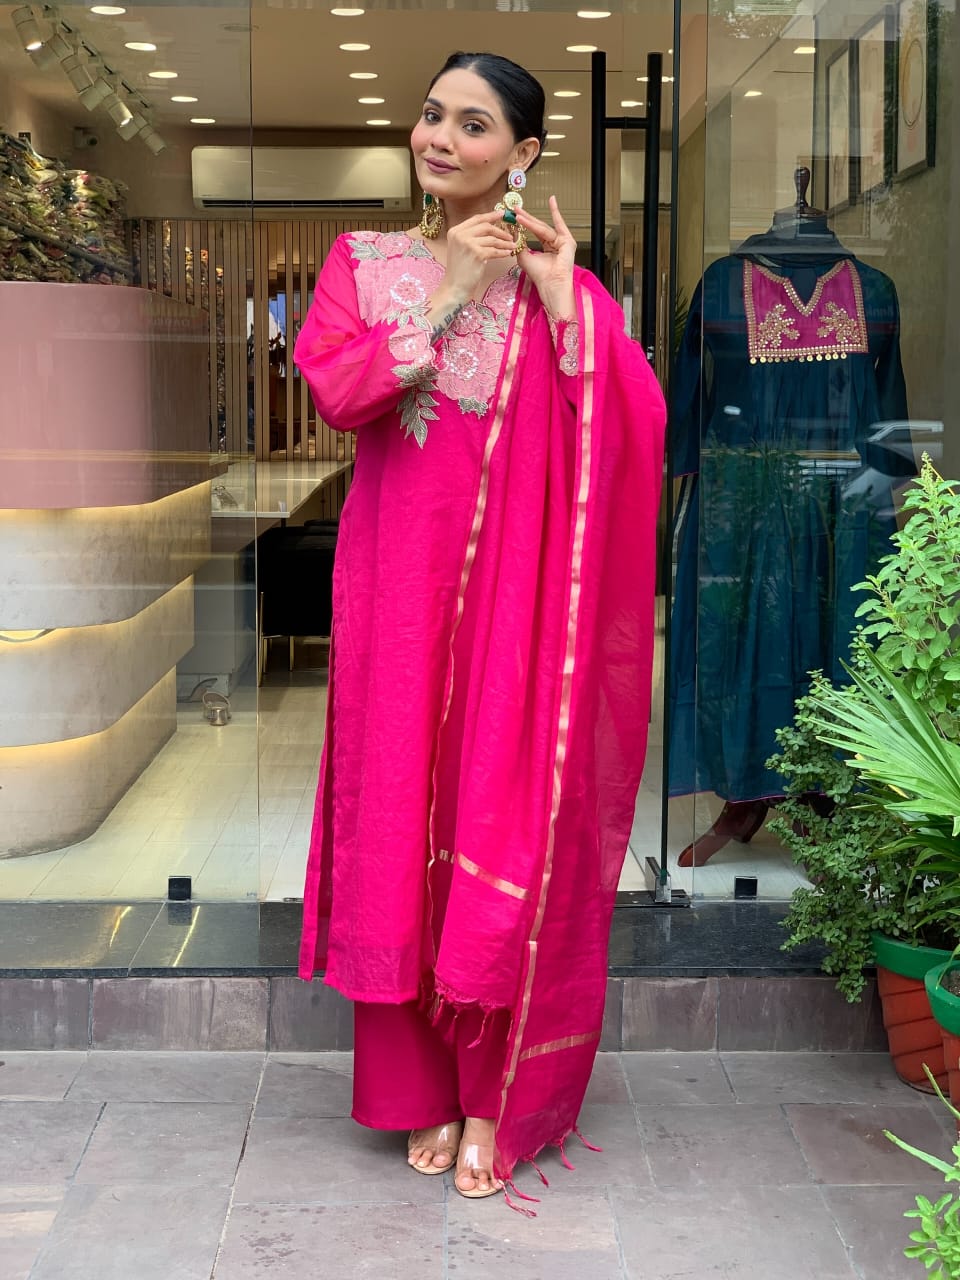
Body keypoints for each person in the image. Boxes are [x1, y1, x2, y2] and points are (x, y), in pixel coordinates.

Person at [294, 50, 665, 1207]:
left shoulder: (564, 284)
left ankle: (496, 1091)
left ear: (523, 154)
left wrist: (562, 307)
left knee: (504, 809)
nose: (440, 138)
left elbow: (632, 431)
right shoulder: (362, 263)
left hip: (519, 607)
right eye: (431, 116)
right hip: (397, 600)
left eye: (472, 123)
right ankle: (419, 1086)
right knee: (400, 814)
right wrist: (449, 288)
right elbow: (339, 393)